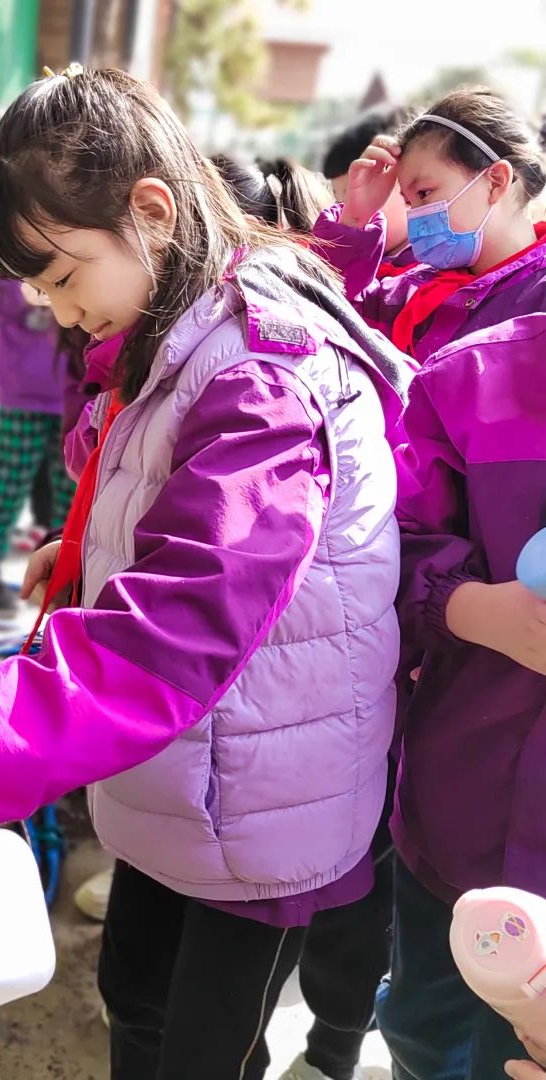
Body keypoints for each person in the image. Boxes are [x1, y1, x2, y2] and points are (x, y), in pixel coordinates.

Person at [0, 67, 414, 1080]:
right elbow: (179, 516)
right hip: (187, 773)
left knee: (202, 1045)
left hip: (263, 794)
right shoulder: (181, 329)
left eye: (63, 277)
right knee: (133, 998)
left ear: (151, 210)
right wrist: (84, 549)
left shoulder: (258, 376)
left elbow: (176, 627)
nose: (60, 313)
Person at [370, 311, 546, 1079]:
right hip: (457, 814)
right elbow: (375, 544)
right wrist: (464, 605)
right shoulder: (469, 381)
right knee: (419, 1022)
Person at [313, 87, 546, 359]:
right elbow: (327, 307)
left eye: (424, 193)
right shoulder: (415, 290)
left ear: (496, 181)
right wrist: (355, 217)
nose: (417, 216)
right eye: (409, 202)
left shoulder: (538, 296)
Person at [0, 281, 78, 612]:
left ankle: (65, 577)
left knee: (72, 491)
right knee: (8, 483)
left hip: (75, 391)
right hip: (23, 394)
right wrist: (24, 287)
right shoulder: (8, 253)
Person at [320, 106, 414, 274]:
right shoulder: (355, 264)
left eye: (366, 188)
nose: (349, 206)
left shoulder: (437, 269)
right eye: (339, 199)